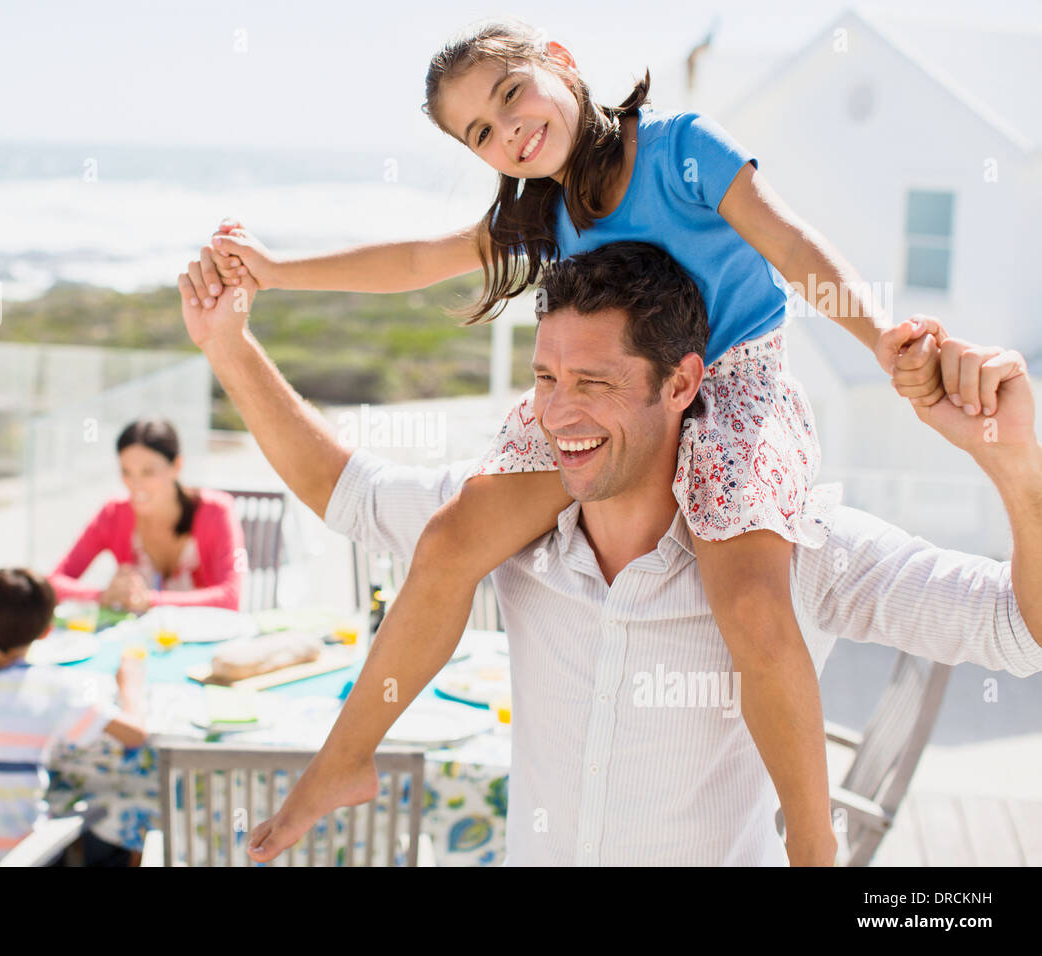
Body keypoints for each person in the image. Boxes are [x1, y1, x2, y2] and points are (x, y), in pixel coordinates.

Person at [200, 18, 949, 864]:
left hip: (734, 382)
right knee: (450, 541)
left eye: (510, 93)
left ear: (559, 62)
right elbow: (415, 260)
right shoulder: (548, 215)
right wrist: (274, 270)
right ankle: (344, 762)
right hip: (607, 399)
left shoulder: (683, 149)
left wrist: (882, 339)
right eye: (481, 132)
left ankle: (814, 844)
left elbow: (788, 241)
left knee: (749, 602)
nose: (508, 129)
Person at [177, 239, 1041, 866]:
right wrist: (228, 346)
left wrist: (1014, 469)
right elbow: (348, 491)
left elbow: (1018, 629)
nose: (559, 415)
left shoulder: (791, 547)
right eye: (547, 381)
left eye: (594, 384)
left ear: (682, 384)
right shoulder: (506, 525)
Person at [0, 567, 148, 865]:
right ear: (47, 631)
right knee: (109, 815)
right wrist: (130, 688)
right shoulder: (55, 690)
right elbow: (136, 734)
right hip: (19, 858)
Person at [49, 418, 246, 613]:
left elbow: (231, 597)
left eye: (148, 472)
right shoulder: (113, 514)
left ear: (176, 466)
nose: (135, 484)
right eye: (127, 472)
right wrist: (103, 596)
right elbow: (53, 583)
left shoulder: (217, 511)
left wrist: (150, 601)